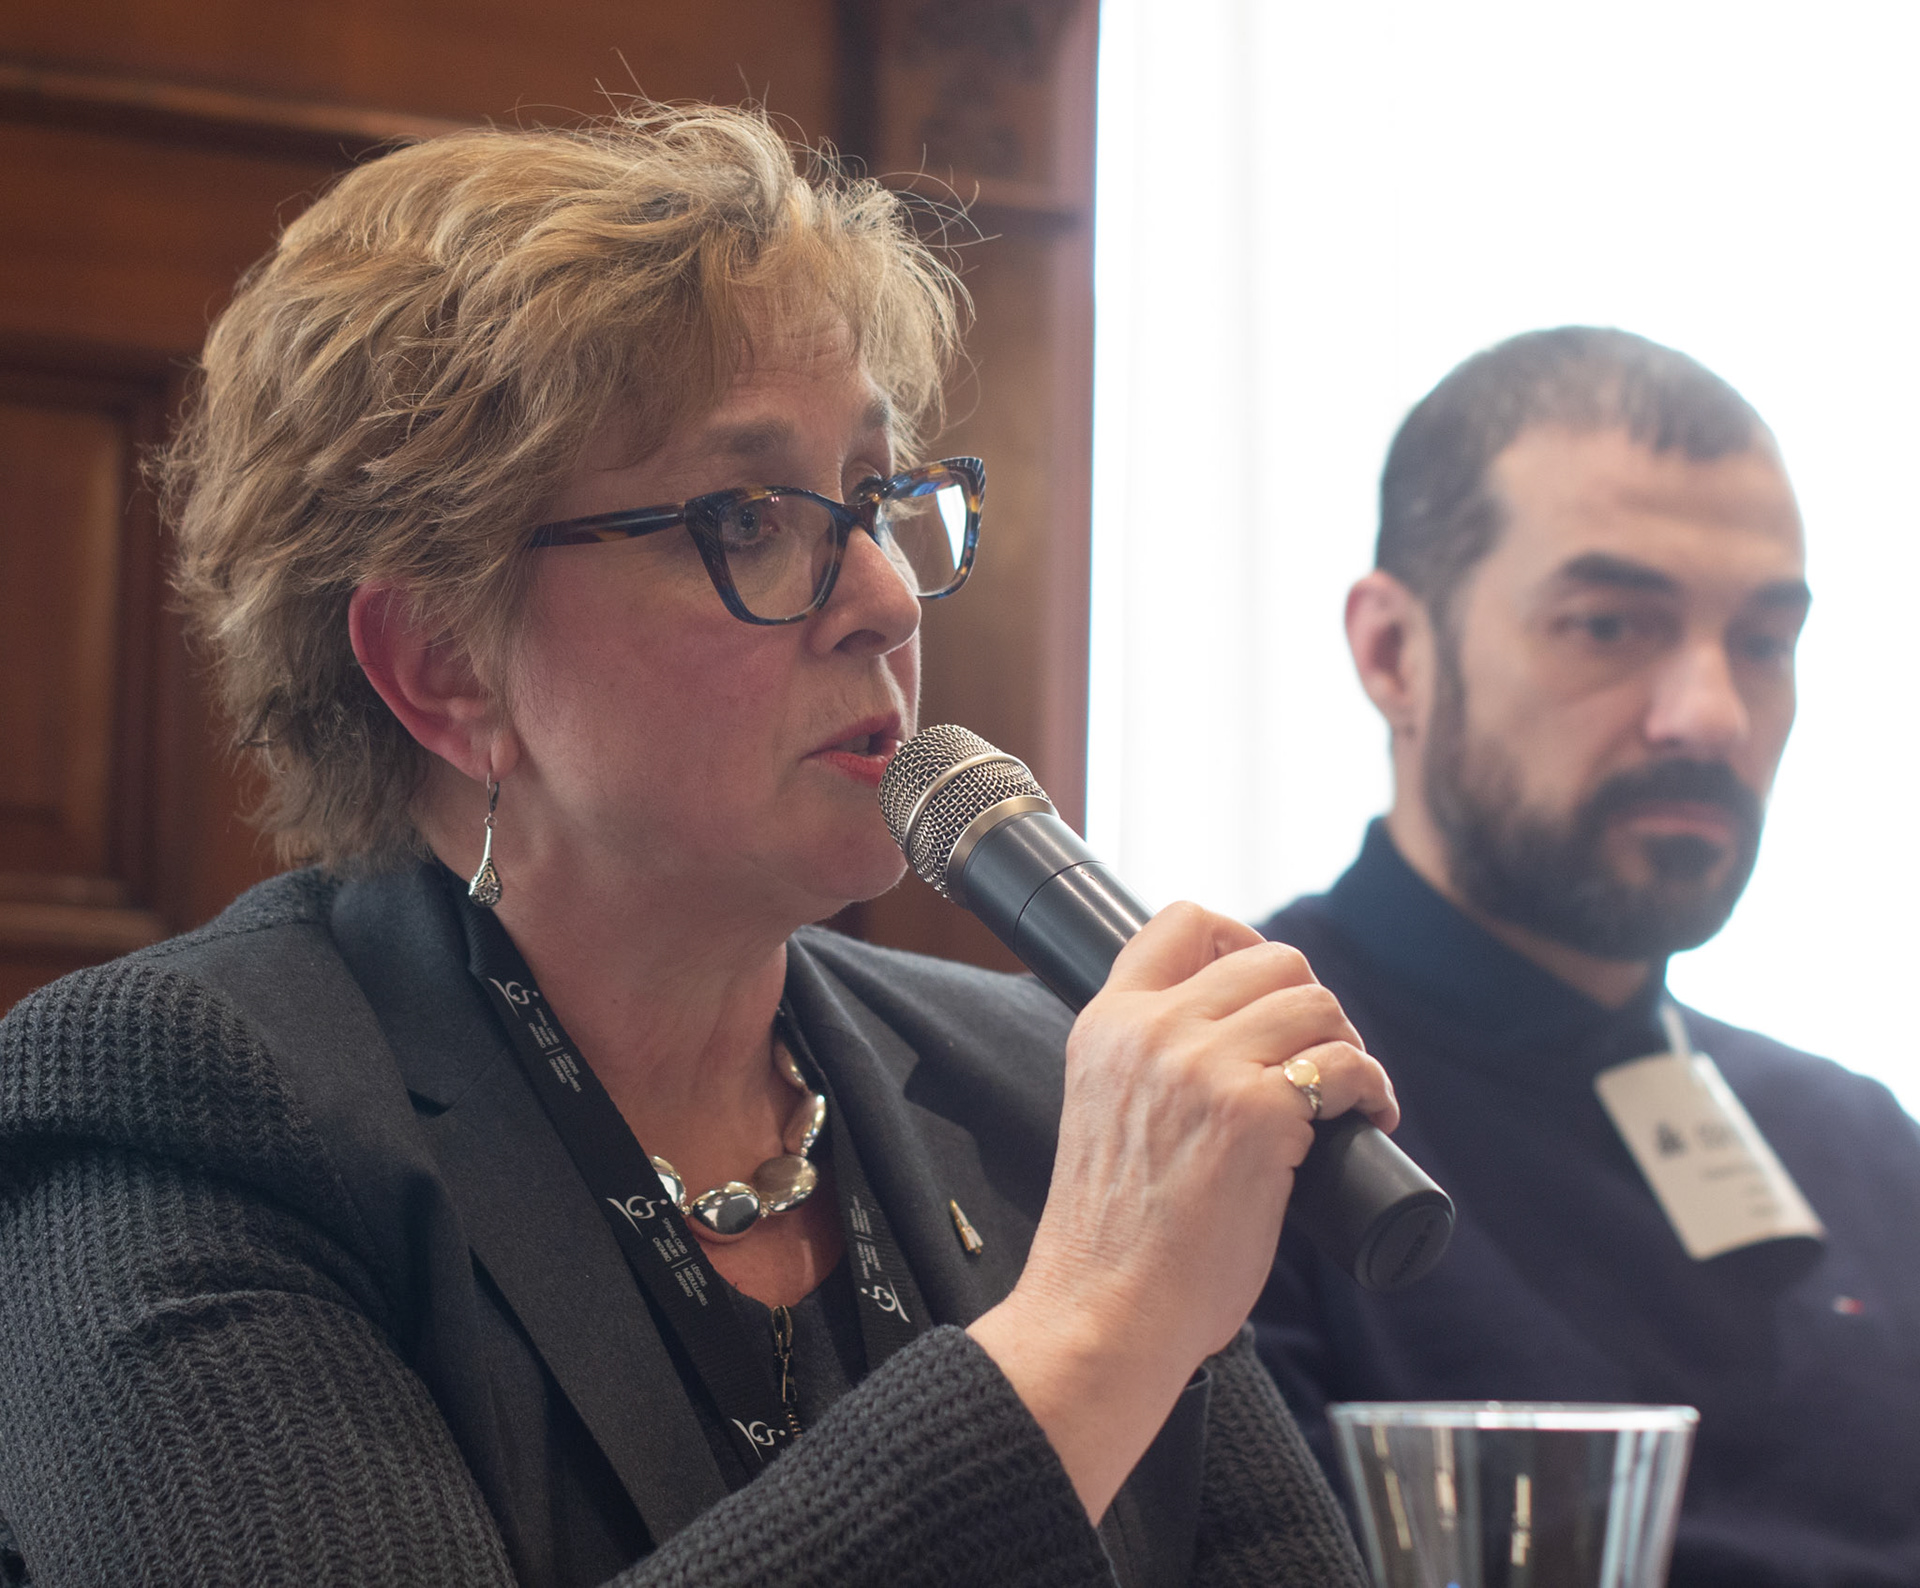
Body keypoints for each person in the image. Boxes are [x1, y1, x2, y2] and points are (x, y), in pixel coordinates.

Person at [0, 105, 1391, 1588]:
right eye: (744, 518)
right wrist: (1093, 1326)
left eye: (874, 500)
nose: (885, 600)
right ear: (444, 665)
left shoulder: (1037, 1088)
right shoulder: (174, 1114)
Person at [1253, 327, 1920, 1586]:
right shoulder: (1227, 1108)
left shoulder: (1868, 1153)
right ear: (1394, 653)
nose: (1712, 714)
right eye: (1610, 625)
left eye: (1764, 643)